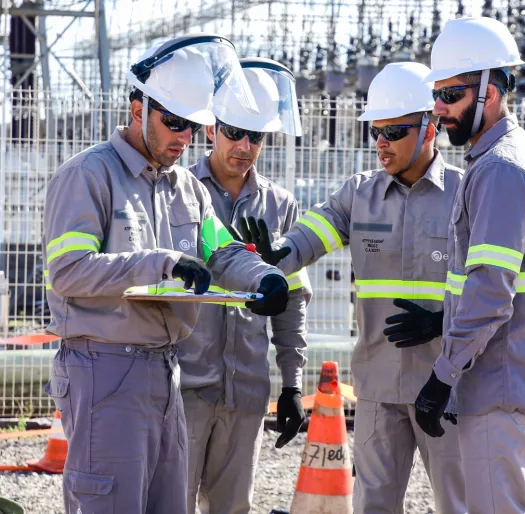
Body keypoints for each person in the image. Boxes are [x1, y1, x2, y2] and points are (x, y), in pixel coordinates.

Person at [42, 35, 289, 514]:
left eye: (193, 126)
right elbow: (68, 272)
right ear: (138, 109)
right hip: (103, 370)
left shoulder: (186, 189)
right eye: (173, 122)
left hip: (164, 369)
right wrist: (161, 262)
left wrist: (263, 277)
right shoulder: (89, 176)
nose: (184, 138)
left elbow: (223, 252)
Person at [235, 62, 467, 513]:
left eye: (394, 131)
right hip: (378, 386)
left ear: (430, 126)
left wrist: (444, 320)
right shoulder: (358, 194)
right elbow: (308, 236)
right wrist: (277, 253)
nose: (381, 143)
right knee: (373, 505)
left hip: (447, 384)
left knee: (459, 504)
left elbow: (493, 283)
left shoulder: (466, 192)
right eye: (375, 132)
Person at [413, 16, 525, 513]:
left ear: (489, 92)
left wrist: (443, 374)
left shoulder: (501, 170)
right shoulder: (501, 160)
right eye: (437, 95)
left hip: (499, 385)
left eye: (451, 95)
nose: (439, 109)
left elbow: (490, 291)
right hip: (508, 379)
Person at [177, 57, 310, 514]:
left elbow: (291, 299)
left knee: (233, 508)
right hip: (184, 387)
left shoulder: (280, 205)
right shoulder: (178, 191)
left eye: (256, 136)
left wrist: (291, 384)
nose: (245, 146)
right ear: (212, 127)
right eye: (235, 132)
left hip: (245, 389)